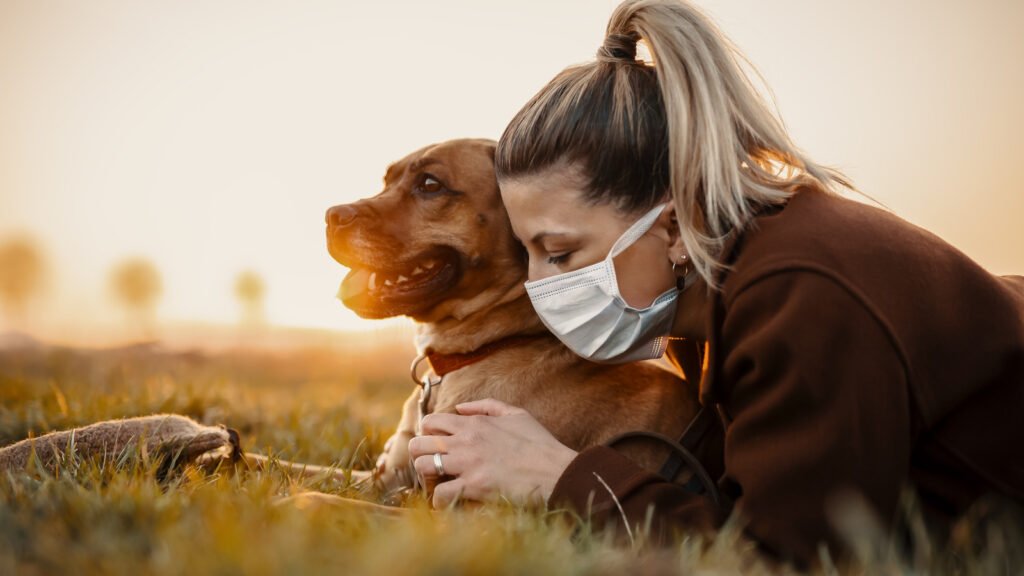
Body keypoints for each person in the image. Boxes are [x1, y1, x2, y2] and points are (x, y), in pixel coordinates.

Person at [408, 0, 1024, 567]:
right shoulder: (709, 284)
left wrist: (559, 475)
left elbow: (785, 562)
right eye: (529, 254)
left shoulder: (800, 295)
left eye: (562, 253)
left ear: (673, 224)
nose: (541, 287)